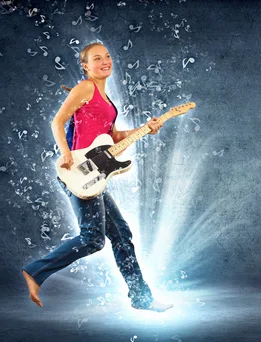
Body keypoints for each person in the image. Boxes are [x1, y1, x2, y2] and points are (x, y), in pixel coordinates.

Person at [21, 41, 173, 312]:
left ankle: (141, 298)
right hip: (77, 172)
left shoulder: (107, 102)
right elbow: (57, 121)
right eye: (97, 58)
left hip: (95, 175)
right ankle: (35, 271)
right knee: (93, 238)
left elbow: (113, 139)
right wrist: (65, 153)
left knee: (122, 234)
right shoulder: (86, 87)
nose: (105, 61)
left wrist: (145, 129)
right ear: (85, 66)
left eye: (107, 56)